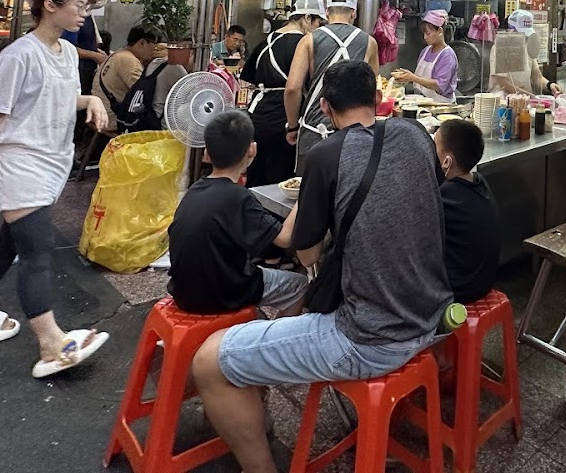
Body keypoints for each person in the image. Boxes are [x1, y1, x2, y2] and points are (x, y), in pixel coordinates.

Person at [192, 60, 452, 473]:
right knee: (284, 316)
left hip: (369, 337)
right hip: (433, 318)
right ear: (379, 100)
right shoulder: (416, 134)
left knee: (207, 362)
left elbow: (307, 254)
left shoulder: (325, 155)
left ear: (326, 109)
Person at [0, 0, 111, 377]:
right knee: (37, 251)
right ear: (49, 6)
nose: (84, 14)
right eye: (78, 6)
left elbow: (59, 97)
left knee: (8, 244)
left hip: (52, 161)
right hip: (20, 164)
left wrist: (90, 100)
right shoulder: (19, 54)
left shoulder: (67, 53)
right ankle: (51, 344)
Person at [167, 109, 309, 316]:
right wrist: (304, 191)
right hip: (223, 294)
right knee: (300, 284)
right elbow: (285, 239)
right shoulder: (237, 197)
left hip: (183, 292)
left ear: (206, 153)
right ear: (252, 150)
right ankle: (271, 341)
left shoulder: (195, 190)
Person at [284, 0, 380, 167]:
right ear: (354, 14)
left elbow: (292, 88)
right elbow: (372, 90)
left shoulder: (308, 40)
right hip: (355, 132)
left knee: (311, 189)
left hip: (314, 130)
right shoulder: (369, 42)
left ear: (327, 13)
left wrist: (292, 126)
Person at [241, 0, 326, 187]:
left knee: (256, 176)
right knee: (280, 182)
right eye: (319, 22)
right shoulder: (304, 44)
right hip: (284, 119)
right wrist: (293, 126)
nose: (319, 29)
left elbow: (248, 80)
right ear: (307, 18)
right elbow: (294, 89)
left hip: (257, 116)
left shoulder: (265, 42)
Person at [434, 119, 501, 303]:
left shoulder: (447, 195)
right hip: (483, 281)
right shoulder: (478, 181)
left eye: (434, 146)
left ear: (447, 162)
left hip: (459, 290)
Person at [95, 26, 162, 123]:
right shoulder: (129, 61)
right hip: (112, 117)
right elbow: (144, 93)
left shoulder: (119, 53)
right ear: (142, 43)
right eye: (154, 45)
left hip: (102, 111)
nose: (155, 50)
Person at [489, 9, 562, 97]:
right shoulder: (499, 48)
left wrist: (550, 85)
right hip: (503, 102)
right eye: (521, 33)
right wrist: (531, 96)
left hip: (525, 103)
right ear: (510, 29)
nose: (525, 38)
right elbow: (504, 84)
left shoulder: (527, 47)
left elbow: (537, 77)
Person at [391, 8, 458, 101]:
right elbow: (421, 78)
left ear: (440, 31)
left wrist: (413, 77)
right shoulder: (425, 51)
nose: (425, 37)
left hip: (441, 105)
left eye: (428, 33)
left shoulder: (447, 55)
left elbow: (439, 86)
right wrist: (406, 77)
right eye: (423, 33)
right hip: (422, 101)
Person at [62, 0, 111, 94]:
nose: (103, 0)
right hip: (78, 68)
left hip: (88, 68)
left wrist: (97, 51)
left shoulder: (88, 14)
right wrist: (95, 56)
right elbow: (67, 46)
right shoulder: (73, 16)